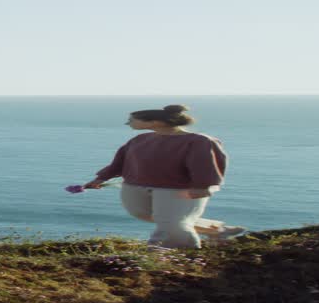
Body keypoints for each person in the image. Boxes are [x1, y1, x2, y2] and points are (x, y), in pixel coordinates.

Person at [84, 104, 246, 249]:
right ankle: (218, 230)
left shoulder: (199, 141)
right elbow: (119, 162)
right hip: (134, 186)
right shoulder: (140, 139)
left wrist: (202, 186)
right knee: (146, 214)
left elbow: (205, 164)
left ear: (155, 122)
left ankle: (175, 251)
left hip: (177, 189)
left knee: (171, 222)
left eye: (132, 120)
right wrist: (100, 179)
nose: (128, 123)